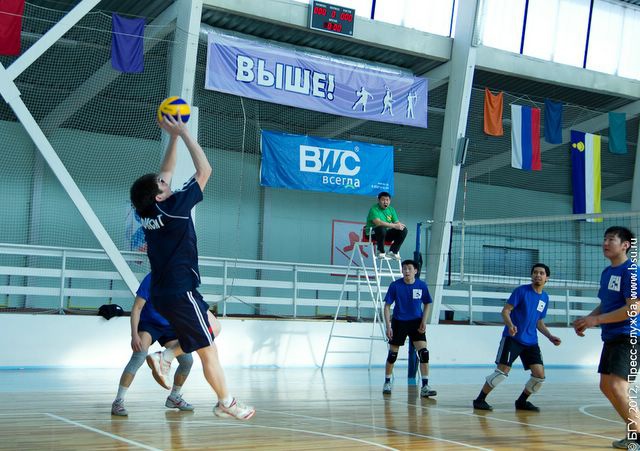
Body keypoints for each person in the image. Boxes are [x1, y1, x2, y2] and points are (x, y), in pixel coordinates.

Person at [129, 113, 255, 420]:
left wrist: (172, 137)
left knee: (214, 327)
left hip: (166, 293)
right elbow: (205, 170)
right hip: (179, 291)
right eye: (163, 183)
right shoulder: (175, 207)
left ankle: (167, 355)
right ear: (159, 195)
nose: (167, 180)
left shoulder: (148, 211)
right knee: (209, 350)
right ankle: (226, 402)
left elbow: (166, 171)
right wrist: (185, 132)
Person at [112, 272, 219, 416]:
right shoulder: (151, 279)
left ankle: (174, 397)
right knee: (139, 356)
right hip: (149, 323)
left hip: (170, 327)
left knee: (187, 361)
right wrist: (134, 335)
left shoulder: (181, 280)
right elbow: (137, 308)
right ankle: (118, 401)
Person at [573, 226, 638, 449]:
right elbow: (607, 304)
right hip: (612, 337)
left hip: (629, 336)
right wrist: (588, 319)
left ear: (625, 245)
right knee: (607, 387)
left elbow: (634, 308)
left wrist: (596, 320)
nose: (605, 243)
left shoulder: (631, 271)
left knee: (618, 387)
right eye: (604, 239)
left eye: (611, 239)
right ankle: (635, 432)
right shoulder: (607, 272)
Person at [472, 263, 561, 412]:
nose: (538, 275)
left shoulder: (545, 298)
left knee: (539, 376)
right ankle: (479, 400)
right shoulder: (521, 291)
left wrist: (550, 336)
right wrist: (511, 325)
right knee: (502, 372)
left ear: (547, 278)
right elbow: (505, 311)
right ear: (531, 275)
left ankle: (521, 402)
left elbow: (539, 322)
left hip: (531, 341)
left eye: (541, 273)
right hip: (512, 338)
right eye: (535, 272)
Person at [382, 259, 437, 398]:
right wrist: (388, 326)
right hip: (399, 322)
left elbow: (427, 303)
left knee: (424, 353)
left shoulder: (421, 285)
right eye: (404, 268)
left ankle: (425, 386)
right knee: (392, 355)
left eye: (409, 269)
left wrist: (424, 321)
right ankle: (387, 382)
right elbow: (387, 306)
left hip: (416, 323)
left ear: (415, 271)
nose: (406, 271)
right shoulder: (395, 285)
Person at [365, 192, 407, 260]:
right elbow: (378, 223)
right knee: (381, 228)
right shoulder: (374, 209)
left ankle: (392, 252)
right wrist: (394, 226)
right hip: (372, 233)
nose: (385, 202)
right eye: (383, 200)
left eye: (387, 200)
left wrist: (400, 225)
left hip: (385, 233)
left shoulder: (391, 209)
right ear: (378, 200)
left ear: (390, 201)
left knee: (403, 230)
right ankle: (380, 251)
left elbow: (396, 222)